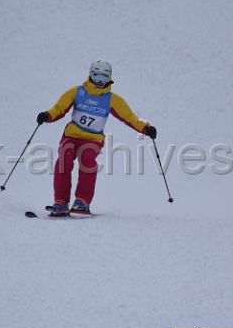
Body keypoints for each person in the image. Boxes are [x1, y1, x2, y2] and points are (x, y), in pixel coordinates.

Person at [36, 60, 157, 216]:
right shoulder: (77, 92)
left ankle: (82, 202)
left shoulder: (112, 99)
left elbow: (130, 117)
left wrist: (146, 128)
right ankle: (61, 202)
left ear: (110, 78)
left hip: (93, 139)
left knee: (87, 160)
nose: (100, 81)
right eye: (97, 76)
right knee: (64, 159)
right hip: (71, 136)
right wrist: (47, 115)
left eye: (105, 77)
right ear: (91, 75)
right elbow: (59, 108)